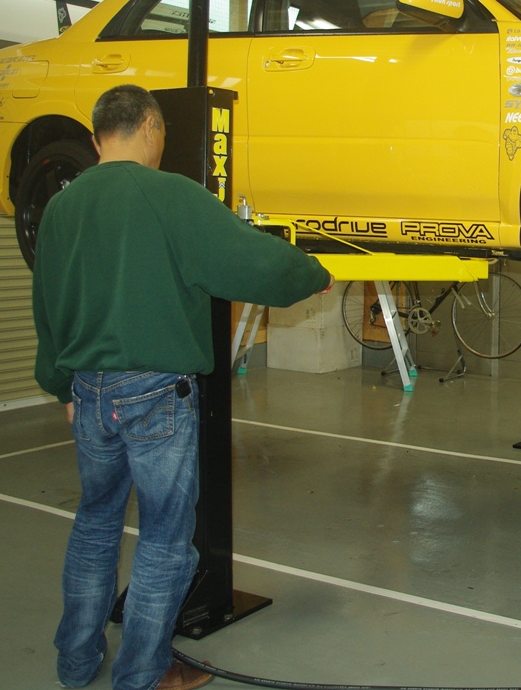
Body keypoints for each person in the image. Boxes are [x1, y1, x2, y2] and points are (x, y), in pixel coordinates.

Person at [32, 84, 333, 690]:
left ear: (95, 137)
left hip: (88, 392)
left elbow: (47, 303)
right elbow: (252, 261)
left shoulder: (63, 207)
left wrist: (61, 385)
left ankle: (76, 662)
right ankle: (143, 674)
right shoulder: (170, 195)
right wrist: (312, 273)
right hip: (154, 394)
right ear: (151, 127)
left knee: (95, 525)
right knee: (166, 538)